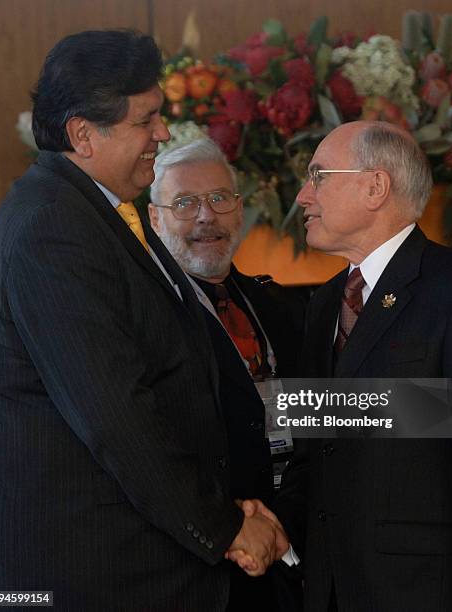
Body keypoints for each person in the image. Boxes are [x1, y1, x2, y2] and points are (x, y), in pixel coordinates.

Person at [0, 30, 285, 611]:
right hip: (100, 573)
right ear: (83, 133)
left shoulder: (106, 209)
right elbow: (116, 415)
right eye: (145, 120)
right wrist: (223, 526)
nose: (163, 134)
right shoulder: (52, 229)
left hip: (145, 559)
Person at [240, 120, 452, 611]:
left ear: (375, 186)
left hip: (423, 591)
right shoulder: (325, 303)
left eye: (319, 175)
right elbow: (316, 450)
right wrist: (271, 524)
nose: (303, 195)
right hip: (329, 588)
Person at [148, 138, 305, 611]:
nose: (205, 216)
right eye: (185, 203)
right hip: (203, 568)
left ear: (239, 210)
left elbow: (320, 418)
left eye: (219, 198)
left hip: (295, 557)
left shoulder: (280, 305)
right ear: (154, 219)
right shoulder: (144, 321)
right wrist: (232, 527)